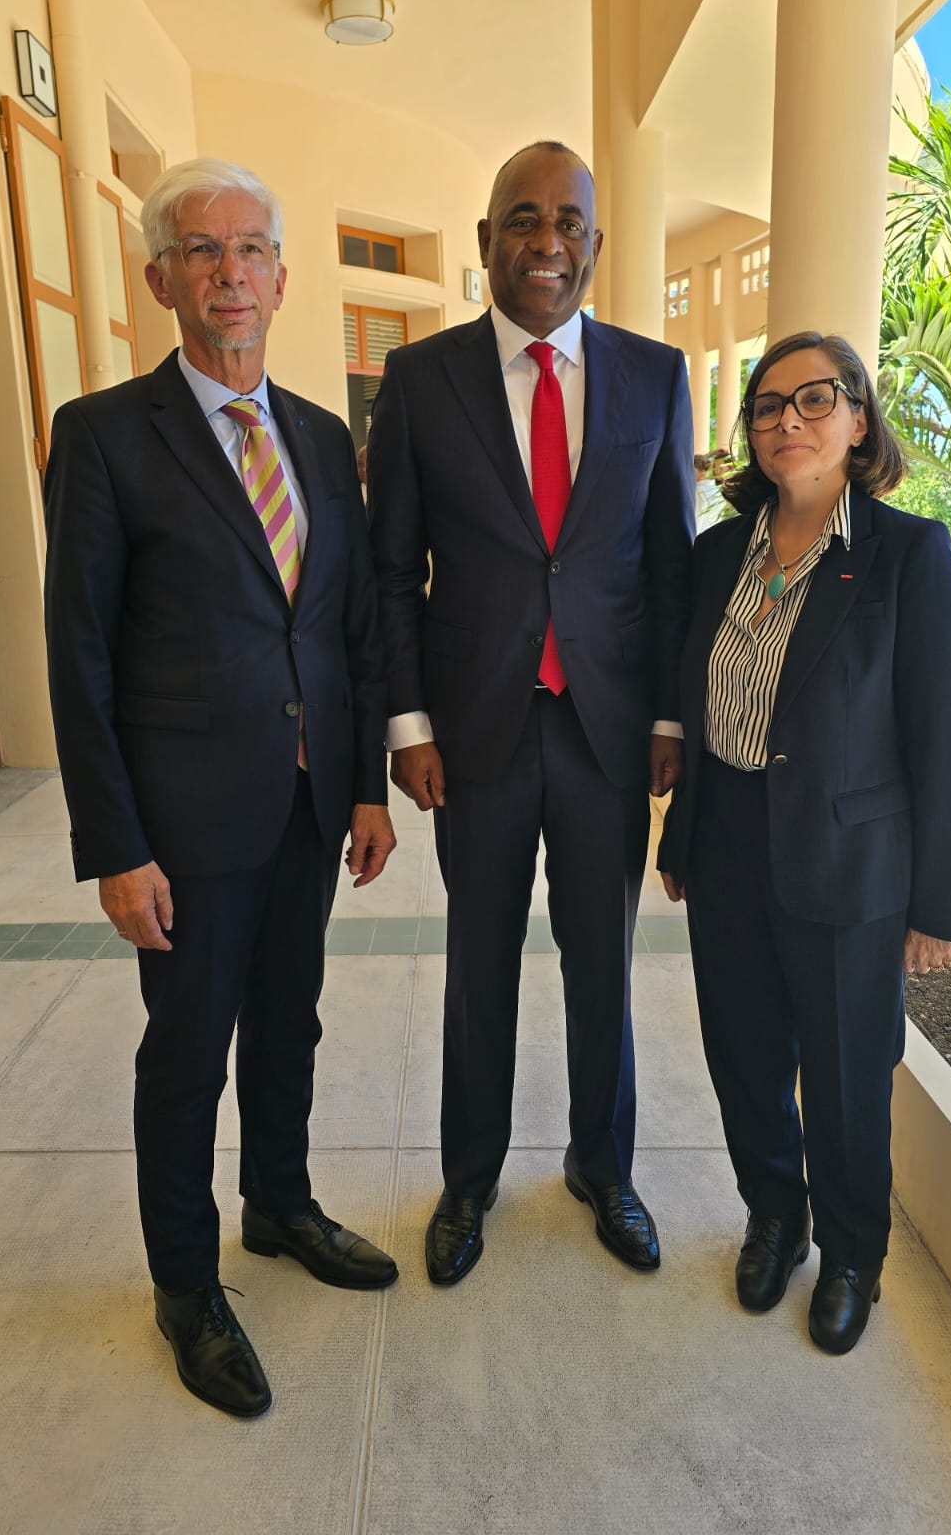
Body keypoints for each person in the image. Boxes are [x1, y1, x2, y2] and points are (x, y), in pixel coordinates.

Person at [44, 158, 398, 1419]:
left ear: (283, 279)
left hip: (307, 804)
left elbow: (350, 623)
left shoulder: (321, 436)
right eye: (202, 250)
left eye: (251, 250)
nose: (229, 273)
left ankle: (279, 1203)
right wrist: (114, 845)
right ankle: (187, 1287)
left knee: (290, 1020)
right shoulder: (102, 436)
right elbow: (79, 652)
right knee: (189, 1054)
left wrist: (366, 787)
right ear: (161, 281)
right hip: (185, 822)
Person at [367, 141, 694, 1285]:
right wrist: (408, 726)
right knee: (479, 964)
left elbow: (669, 564)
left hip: (608, 732)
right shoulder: (421, 380)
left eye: (568, 223)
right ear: (485, 240)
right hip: (476, 735)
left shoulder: (656, 375)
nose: (546, 242)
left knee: (603, 964)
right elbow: (391, 571)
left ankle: (604, 1167)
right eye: (523, 218)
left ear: (595, 244)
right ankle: (469, 1178)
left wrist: (669, 717)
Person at [657, 331, 951, 1355]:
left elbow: (940, 738)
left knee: (845, 1075)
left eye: (814, 399)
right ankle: (774, 1216)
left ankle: (849, 1254)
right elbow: (692, 693)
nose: (787, 420)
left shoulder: (908, 554)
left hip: (849, 862)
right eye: (767, 405)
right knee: (743, 1053)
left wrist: (938, 905)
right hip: (728, 842)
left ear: (858, 421)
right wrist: (682, 831)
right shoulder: (719, 553)